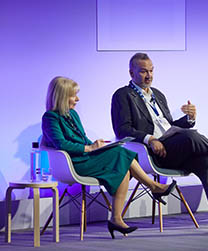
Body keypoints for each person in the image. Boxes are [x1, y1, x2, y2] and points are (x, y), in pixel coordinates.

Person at [111, 53, 208, 235]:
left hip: (173, 147)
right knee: (191, 136)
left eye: (151, 71)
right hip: (152, 152)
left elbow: (169, 126)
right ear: (131, 72)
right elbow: (122, 130)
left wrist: (189, 119)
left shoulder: (158, 95)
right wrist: (149, 139)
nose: (149, 75)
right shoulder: (122, 95)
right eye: (143, 71)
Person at [41, 76, 177, 239]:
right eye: (73, 95)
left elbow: (83, 139)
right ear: (61, 97)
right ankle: (153, 186)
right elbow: (61, 144)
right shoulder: (50, 118)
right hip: (74, 163)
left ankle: (116, 219)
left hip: (87, 158)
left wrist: (96, 144)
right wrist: (89, 148)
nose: (77, 99)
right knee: (122, 155)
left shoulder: (73, 115)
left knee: (123, 164)